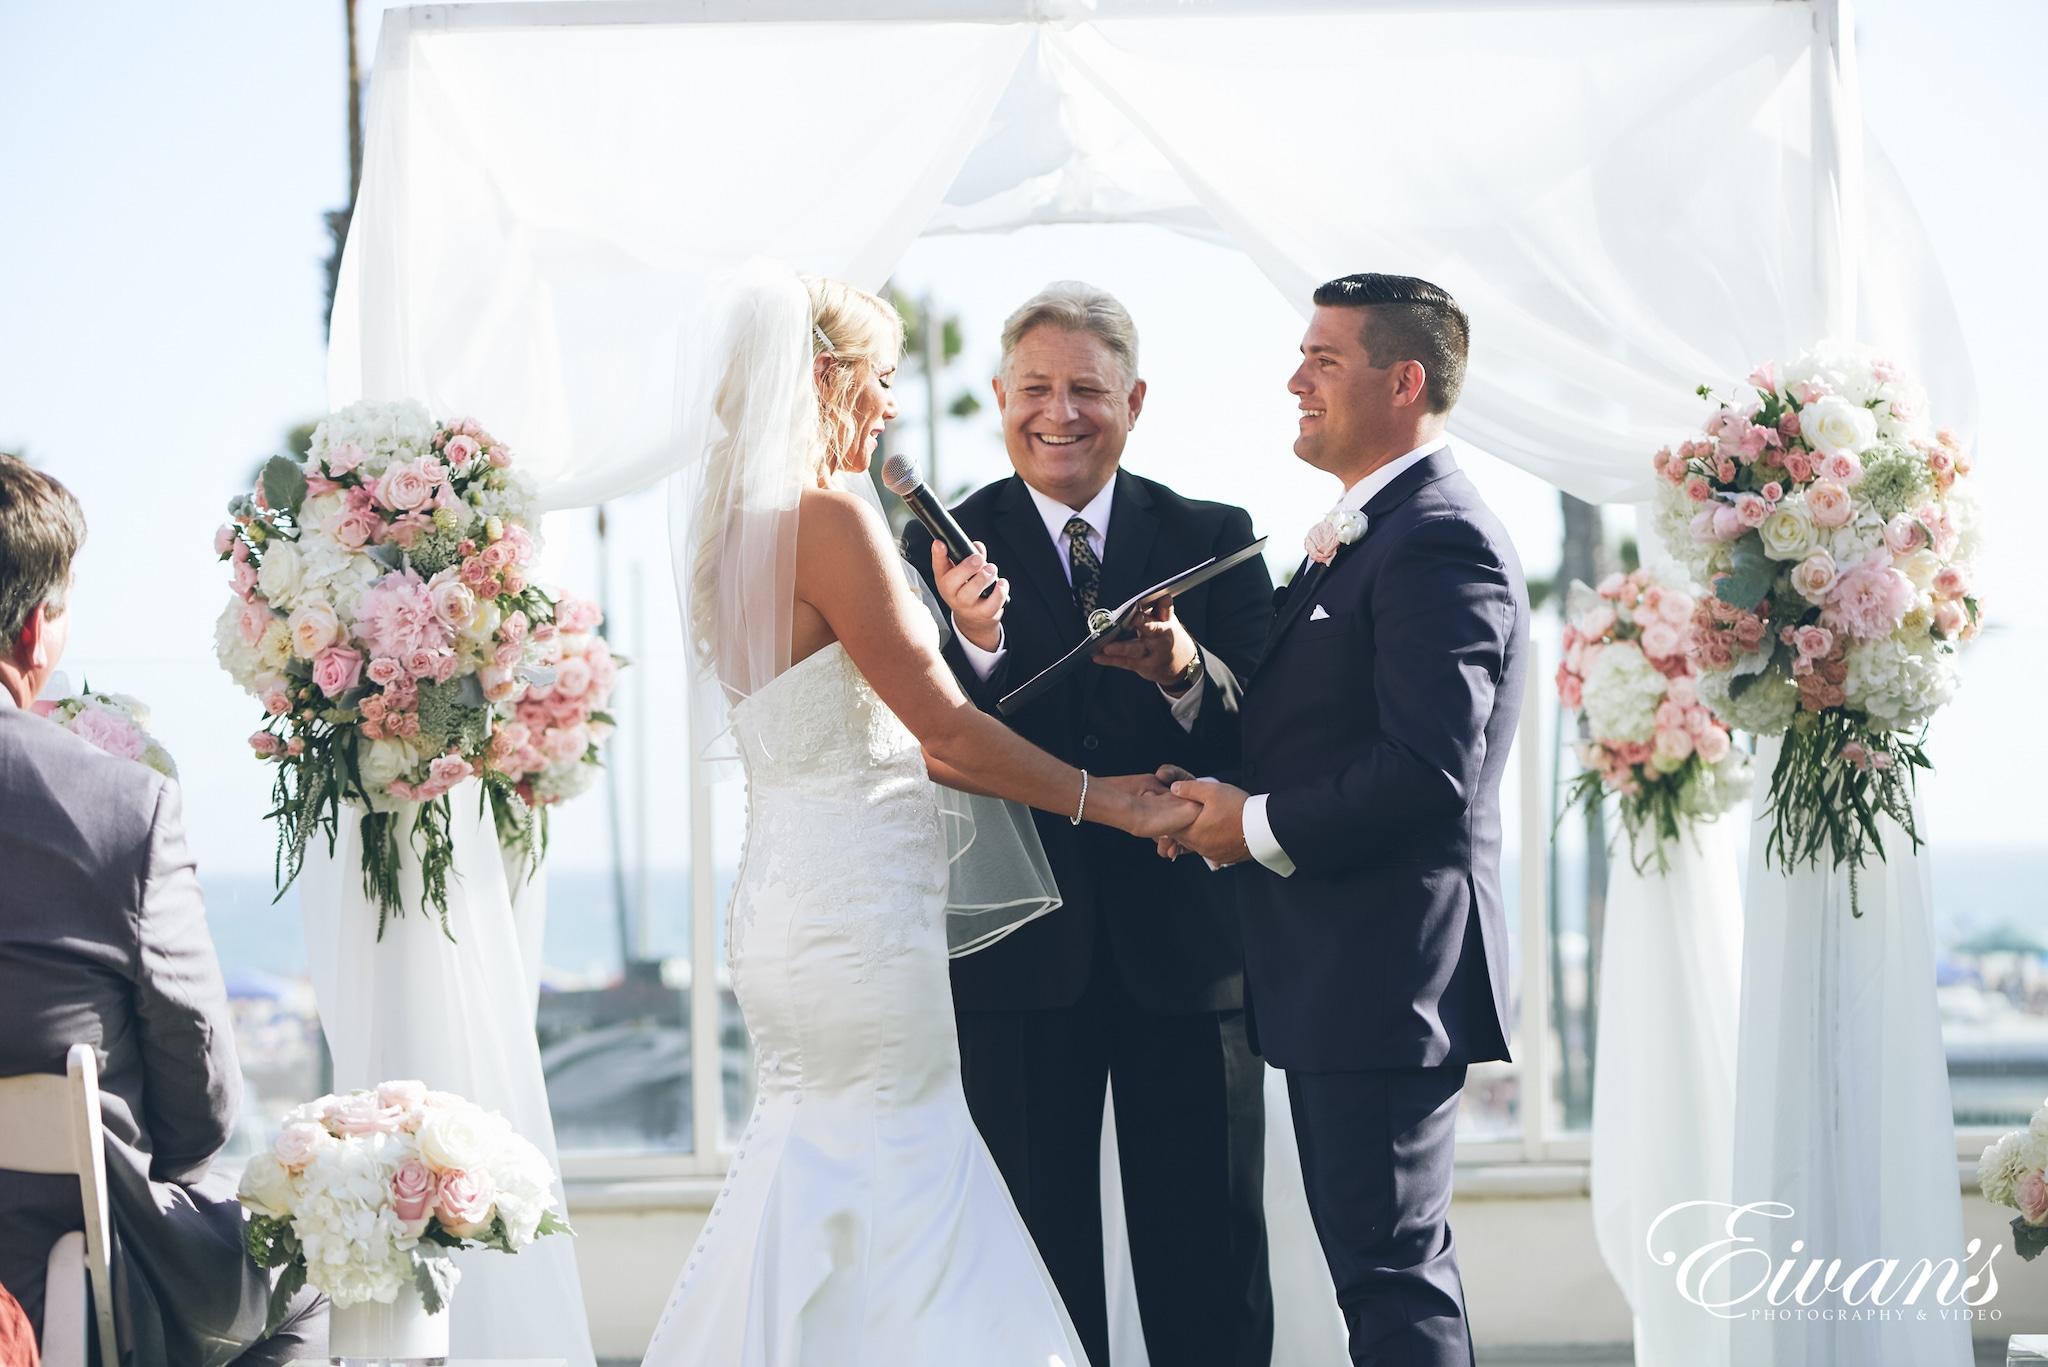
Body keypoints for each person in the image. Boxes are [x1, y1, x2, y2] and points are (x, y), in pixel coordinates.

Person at [639, 266, 1194, 1367]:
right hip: (859, 923)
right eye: (881, 379)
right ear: (821, 378)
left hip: (791, 900)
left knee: (820, 1154)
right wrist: (1111, 801)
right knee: (899, 1158)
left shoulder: (730, 532)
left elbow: (835, 708)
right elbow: (942, 733)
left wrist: (948, 621)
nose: (889, 405)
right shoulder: (830, 518)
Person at [902, 281, 1274, 1367]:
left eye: (1085, 389)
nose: (1057, 412)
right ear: (997, 396)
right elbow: (937, 738)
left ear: (1134, 398)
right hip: (1018, 964)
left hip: (1189, 958)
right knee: (1032, 1270)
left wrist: (1181, 671)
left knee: (1206, 1265)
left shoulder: (1214, 536)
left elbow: (1266, 730)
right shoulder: (935, 545)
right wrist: (970, 643)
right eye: (1034, 388)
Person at [1163, 275, 1526, 1366]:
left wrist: (1250, 825)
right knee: (1379, 1269)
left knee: (1388, 1275)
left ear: (1402, 380)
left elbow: (1426, 770)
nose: (1293, 379)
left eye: (1323, 358)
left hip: (1385, 973)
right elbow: (1305, 728)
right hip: (1342, 973)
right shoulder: (1365, 532)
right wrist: (1183, 677)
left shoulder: (1437, 539)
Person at [0, 455, 326, 1364]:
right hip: (71, 1272)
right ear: (36, 632)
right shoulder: (121, 810)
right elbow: (203, 1102)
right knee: (322, 1276)